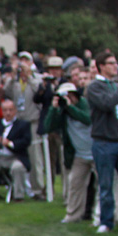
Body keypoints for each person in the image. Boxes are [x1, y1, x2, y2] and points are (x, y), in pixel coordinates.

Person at [84, 50, 118, 233]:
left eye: (116, 63)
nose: (115, 66)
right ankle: (106, 221)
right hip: (104, 142)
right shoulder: (94, 87)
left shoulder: (117, 87)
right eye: (111, 63)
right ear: (101, 66)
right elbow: (107, 104)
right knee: (106, 185)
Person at [46, 82, 93, 224]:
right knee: (75, 184)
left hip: (97, 150)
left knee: (103, 185)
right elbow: (48, 126)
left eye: (70, 96)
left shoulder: (84, 104)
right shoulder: (63, 110)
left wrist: (70, 107)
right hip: (79, 154)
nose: (68, 99)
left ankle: (104, 217)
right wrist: (54, 108)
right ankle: (73, 216)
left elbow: (87, 119)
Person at [4, 51, 45, 198]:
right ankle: (18, 188)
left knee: (35, 157)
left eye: (25, 61)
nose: (23, 64)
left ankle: (37, 189)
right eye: (20, 61)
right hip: (18, 121)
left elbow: (39, 93)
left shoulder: (37, 78)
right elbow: (7, 92)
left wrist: (29, 77)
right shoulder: (15, 81)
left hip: (32, 120)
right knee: (16, 155)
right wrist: (13, 76)